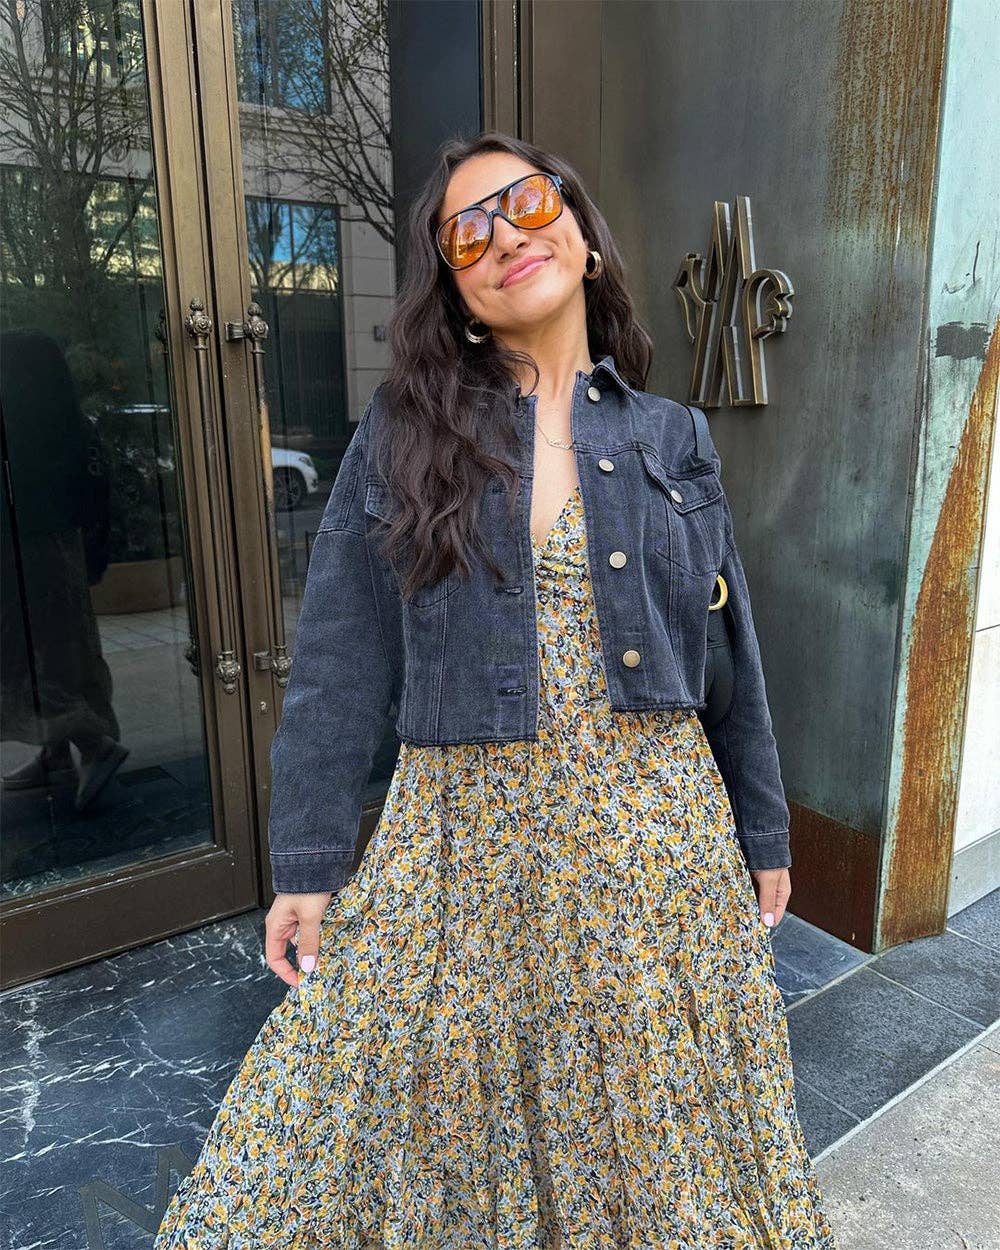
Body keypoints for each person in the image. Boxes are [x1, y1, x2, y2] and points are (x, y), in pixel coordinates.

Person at [156, 132, 837, 1247]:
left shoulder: (673, 434)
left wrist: (761, 829)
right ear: (456, 291)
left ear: (581, 233)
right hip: (462, 844)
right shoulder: (404, 432)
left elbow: (729, 653)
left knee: (647, 1126)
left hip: (652, 846)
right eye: (464, 234)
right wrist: (310, 862)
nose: (503, 237)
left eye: (525, 202)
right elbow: (338, 658)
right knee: (411, 1109)